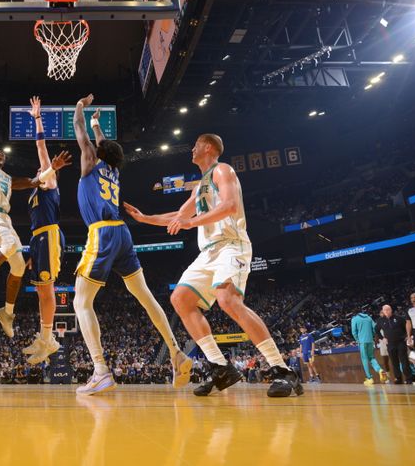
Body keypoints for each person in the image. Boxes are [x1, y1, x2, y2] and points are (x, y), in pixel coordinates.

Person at [125, 134, 302, 398]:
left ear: (208, 147)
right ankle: (221, 367)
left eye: (195, 145)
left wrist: (191, 223)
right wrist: (145, 218)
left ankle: (282, 370)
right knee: (181, 298)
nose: (192, 149)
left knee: (227, 300)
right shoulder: (200, 186)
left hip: (232, 244)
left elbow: (230, 206)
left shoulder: (223, 170)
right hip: (208, 252)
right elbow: (180, 216)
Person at [70, 93, 191, 395]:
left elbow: (78, 129)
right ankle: (176, 352)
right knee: (144, 295)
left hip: (102, 232)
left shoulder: (89, 162)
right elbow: (103, 144)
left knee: (81, 302)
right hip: (124, 233)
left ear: (97, 152)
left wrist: (81, 107)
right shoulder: (113, 169)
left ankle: (100, 370)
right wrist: (98, 125)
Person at [0, 86, 72, 341]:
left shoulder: (10, 179)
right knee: (12, 244)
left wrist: (50, 170)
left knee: (20, 265)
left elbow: (35, 181)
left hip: (5, 219)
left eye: (2, 152)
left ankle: (7, 312)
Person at [21, 96, 66, 365]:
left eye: (45, 168)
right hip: (38, 239)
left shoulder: (48, 183)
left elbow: (40, 148)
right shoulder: (36, 190)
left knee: (47, 290)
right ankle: (45, 337)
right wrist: (30, 253)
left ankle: (48, 339)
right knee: (40, 290)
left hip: (48, 236)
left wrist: (37, 118)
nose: (41, 168)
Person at [375, 304, 411, 384]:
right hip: (390, 344)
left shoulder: (399, 318)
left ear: (391, 310)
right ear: (383, 311)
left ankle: (409, 378)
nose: (387, 311)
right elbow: (376, 330)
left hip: (401, 342)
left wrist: (406, 336)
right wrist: (382, 338)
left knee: (404, 361)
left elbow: (406, 326)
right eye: (385, 310)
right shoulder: (380, 320)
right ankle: (398, 378)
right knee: (394, 362)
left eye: (388, 309)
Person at [351, 312, 387, 385]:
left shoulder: (355, 319)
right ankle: (379, 370)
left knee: (364, 359)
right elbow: (375, 329)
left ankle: (369, 378)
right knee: (372, 357)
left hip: (362, 342)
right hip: (370, 341)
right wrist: (372, 336)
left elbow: (354, 332)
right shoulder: (369, 318)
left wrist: (358, 340)